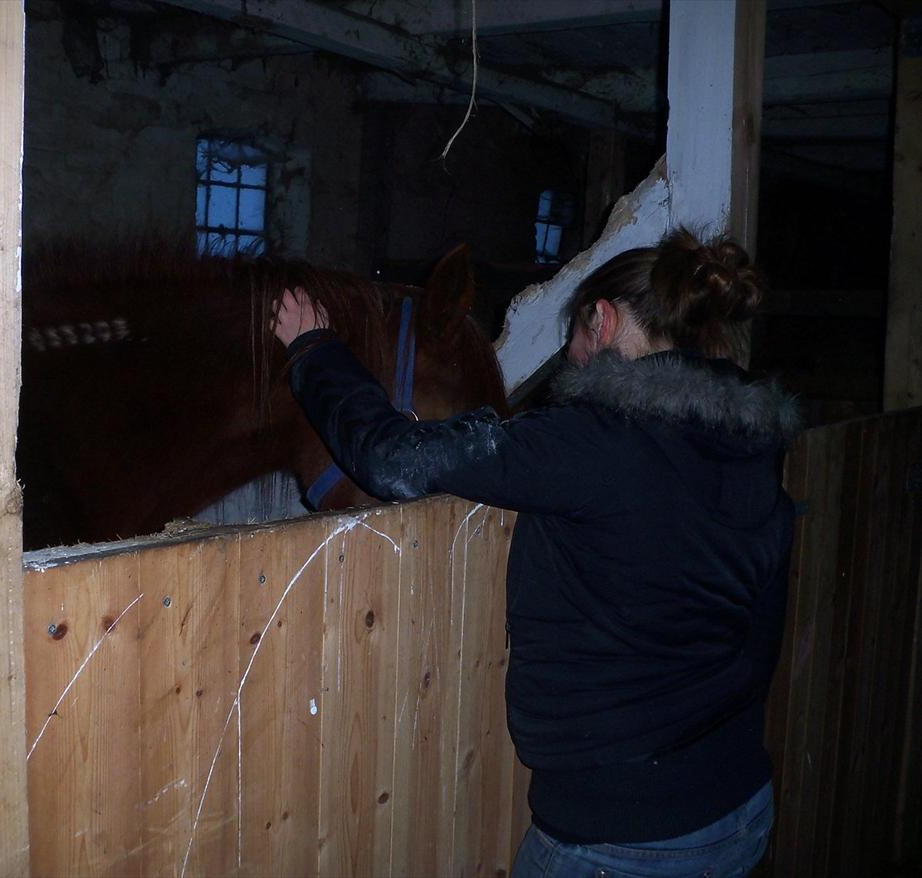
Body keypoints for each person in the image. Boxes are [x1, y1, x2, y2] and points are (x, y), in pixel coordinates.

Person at [271, 228, 799, 877]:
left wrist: (314, 348)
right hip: (740, 802)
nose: (569, 360)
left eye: (573, 337)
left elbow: (391, 461)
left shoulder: (597, 442)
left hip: (621, 837)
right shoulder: (751, 449)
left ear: (600, 322)